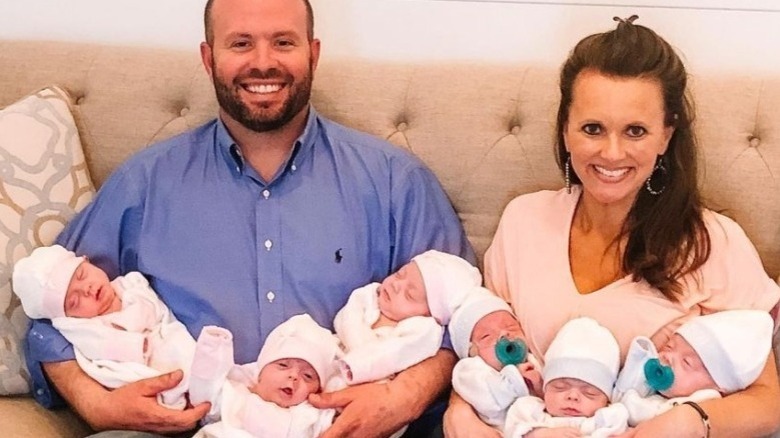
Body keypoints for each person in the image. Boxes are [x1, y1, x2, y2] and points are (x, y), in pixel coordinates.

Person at [24, 0, 474, 436]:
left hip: (345, 427)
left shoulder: (395, 181)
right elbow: (47, 313)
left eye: (283, 42)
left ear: (313, 54)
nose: (263, 63)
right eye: (240, 44)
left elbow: (471, 317)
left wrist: (407, 394)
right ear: (208, 58)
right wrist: (95, 403)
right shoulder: (145, 183)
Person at [444, 15, 780, 438]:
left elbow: (770, 401)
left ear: (666, 136)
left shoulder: (713, 243)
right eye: (593, 129)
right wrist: (459, 414)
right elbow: (485, 345)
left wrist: (690, 421)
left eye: (635, 131)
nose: (612, 152)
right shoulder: (522, 220)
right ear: (566, 129)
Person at [13, 245, 197, 410]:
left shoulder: (127, 285)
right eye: (75, 301)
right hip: (144, 359)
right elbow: (102, 345)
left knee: (183, 346)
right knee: (179, 359)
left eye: (81, 275)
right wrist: (137, 345)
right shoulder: (85, 328)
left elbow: (153, 305)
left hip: (166, 336)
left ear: (86, 260)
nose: (87, 289)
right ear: (66, 318)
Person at [334, 250, 480, 386]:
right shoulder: (370, 294)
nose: (396, 285)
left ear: (430, 314)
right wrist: (358, 347)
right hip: (335, 350)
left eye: (409, 295)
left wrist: (361, 364)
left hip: (373, 380)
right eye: (399, 274)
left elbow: (395, 355)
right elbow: (345, 319)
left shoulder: (424, 329)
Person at [613, 310, 774, 427]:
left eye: (686, 362)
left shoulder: (699, 403)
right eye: (669, 347)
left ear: (718, 387)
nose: (668, 357)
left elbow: (635, 411)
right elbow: (622, 391)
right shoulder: (660, 391)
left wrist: (627, 400)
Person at [193, 314, 342, 438]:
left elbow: (340, 415)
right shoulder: (239, 396)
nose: (294, 376)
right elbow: (206, 393)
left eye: (307, 376)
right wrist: (212, 348)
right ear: (260, 375)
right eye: (283, 365)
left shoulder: (310, 416)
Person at [503, 317, 628, 438]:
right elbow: (512, 431)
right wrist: (540, 434)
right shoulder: (529, 410)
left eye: (589, 393)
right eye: (560, 387)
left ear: (606, 401)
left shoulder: (608, 418)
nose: (572, 396)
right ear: (545, 390)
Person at [448, 287, 542, 429]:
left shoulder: (532, 361)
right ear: (471, 351)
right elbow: (490, 399)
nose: (504, 334)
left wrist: (539, 386)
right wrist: (515, 379)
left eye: (511, 327)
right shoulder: (468, 371)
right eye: (486, 336)